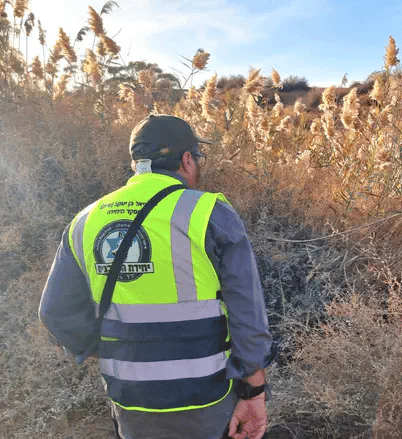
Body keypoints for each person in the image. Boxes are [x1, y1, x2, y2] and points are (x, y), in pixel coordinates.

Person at [39, 114, 276, 439]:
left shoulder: (85, 220)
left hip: (130, 398)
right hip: (206, 399)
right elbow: (247, 315)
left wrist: (110, 347)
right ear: (187, 159)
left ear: (136, 164)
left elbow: (55, 311)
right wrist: (253, 394)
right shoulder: (210, 213)